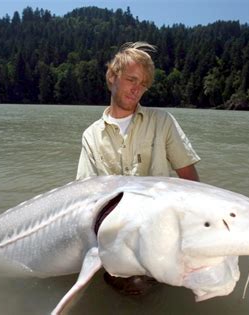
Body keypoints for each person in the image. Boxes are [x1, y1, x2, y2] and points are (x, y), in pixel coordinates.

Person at [76, 41, 200, 295]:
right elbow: (84, 197)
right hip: (115, 238)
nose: (137, 90)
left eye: (143, 84)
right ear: (112, 77)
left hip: (158, 232)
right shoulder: (91, 136)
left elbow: (190, 181)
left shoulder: (162, 122)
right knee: (129, 288)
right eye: (132, 79)